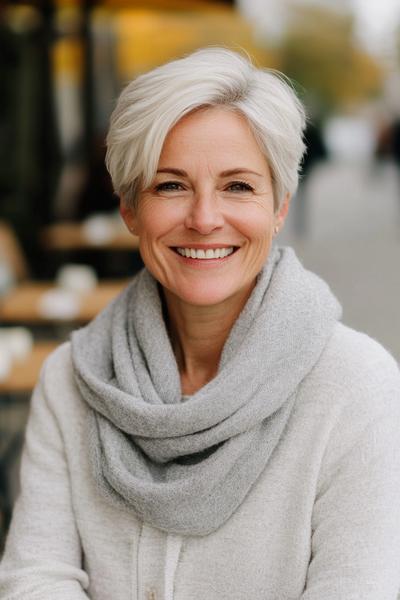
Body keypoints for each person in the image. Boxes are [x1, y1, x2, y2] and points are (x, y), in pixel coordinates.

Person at [1, 47, 400, 600]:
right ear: (130, 208)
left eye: (238, 186)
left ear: (279, 205)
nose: (205, 219)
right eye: (171, 185)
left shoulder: (358, 386)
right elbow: (35, 580)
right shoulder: (70, 380)